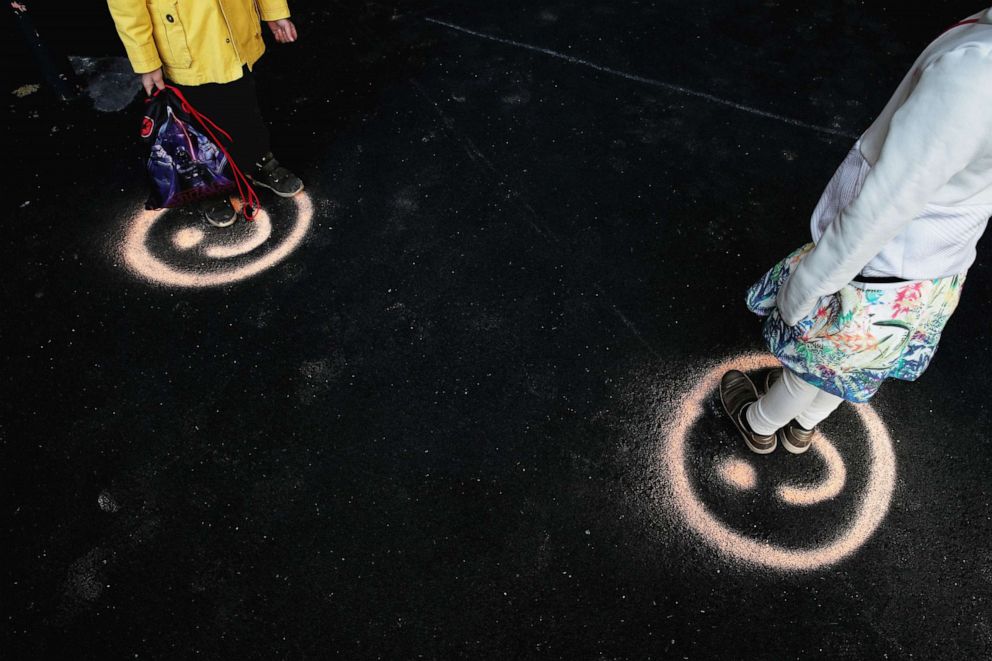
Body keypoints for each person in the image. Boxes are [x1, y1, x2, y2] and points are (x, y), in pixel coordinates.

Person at [721, 9, 992, 455]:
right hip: (937, 266)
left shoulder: (975, 76)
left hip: (875, 265)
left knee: (807, 369)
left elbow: (885, 205)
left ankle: (760, 422)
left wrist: (805, 287)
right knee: (853, 367)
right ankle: (803, 428)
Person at [106, 0, 304, 227]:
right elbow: (126, 6)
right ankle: (209, 185)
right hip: (185, 41)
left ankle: (257, 159)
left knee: (244, 104)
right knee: (197, 122)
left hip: (235, 30)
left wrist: (273, 11)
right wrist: (147, 60)